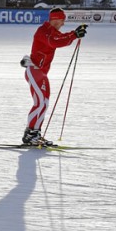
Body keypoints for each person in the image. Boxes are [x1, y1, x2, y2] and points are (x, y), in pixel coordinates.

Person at [20, 8, 87, 146]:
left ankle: (35, 134)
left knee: (43, 103)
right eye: (62, 20)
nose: (63, 23)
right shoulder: (43, 31)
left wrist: (74, 35)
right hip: (34, 70)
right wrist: (74, 34)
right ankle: (30, 134)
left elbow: (60, 39)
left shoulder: (53, 32)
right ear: (55, 19)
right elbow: (55, 41)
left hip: (41, 73)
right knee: (39, 103)